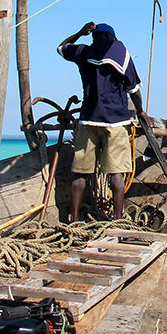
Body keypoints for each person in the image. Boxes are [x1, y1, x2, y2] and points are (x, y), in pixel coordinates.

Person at [58, 21, 150, 222]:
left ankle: (73, 221)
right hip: (115, 122)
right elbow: (134, 90)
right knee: (116, 175)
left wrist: (80, 32)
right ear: (113, 38)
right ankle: (117, 221)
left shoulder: (83, 52)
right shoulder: (122, 55)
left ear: (94, 38)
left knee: (80, 174)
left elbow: (61, 47)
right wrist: (141, 112)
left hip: (88, 121)